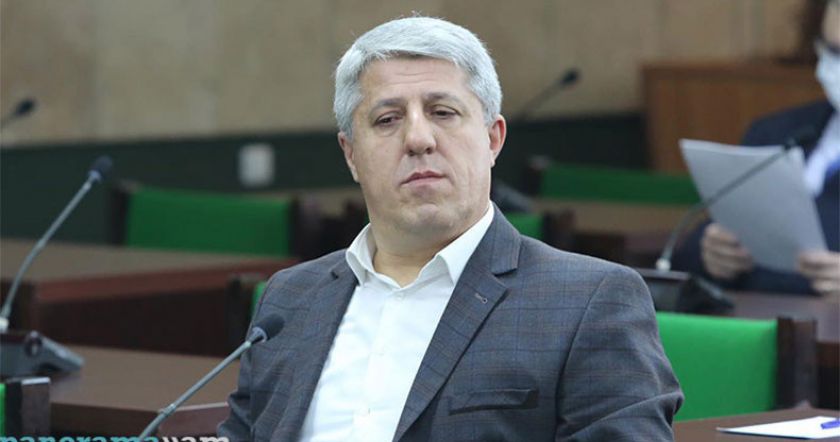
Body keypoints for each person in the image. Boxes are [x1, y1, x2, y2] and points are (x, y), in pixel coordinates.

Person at [219, 17, 682, 441]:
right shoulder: (291, 299)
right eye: (387, 119)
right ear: (351, 155)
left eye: (443, 112)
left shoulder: (589, 301)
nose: (418, 139)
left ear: (493, 139)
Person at [673, 0, 840, 297]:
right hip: (749, 320)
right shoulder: (778, 132)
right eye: (834, 51)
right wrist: (711, 254)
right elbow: (705, 243)